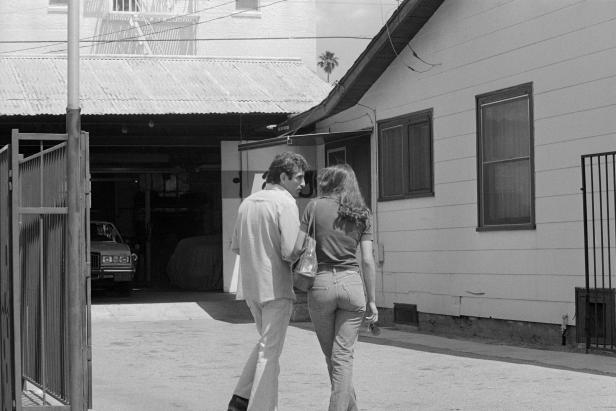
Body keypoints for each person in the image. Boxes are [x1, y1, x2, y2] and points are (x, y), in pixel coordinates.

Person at [227, 151, 308, 411]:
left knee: (265, 345)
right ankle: (261, 406)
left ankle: (240, 398)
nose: (303, 184)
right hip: (276, 288)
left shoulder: (247, 202)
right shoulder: (285, 203)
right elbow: (290, 250)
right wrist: (308, 243)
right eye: (298, 177)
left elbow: (237, 246)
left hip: (252, 288)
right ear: (283, 177)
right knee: (270, 353)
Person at [294, 163, 378, 411]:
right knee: (342, 357)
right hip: (352, 285)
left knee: (334, 357)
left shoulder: (314, 206)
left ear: (328, 183)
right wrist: (372, 300)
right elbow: (367, 260)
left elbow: (298, 247)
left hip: (320, 284)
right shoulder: (362, 213)